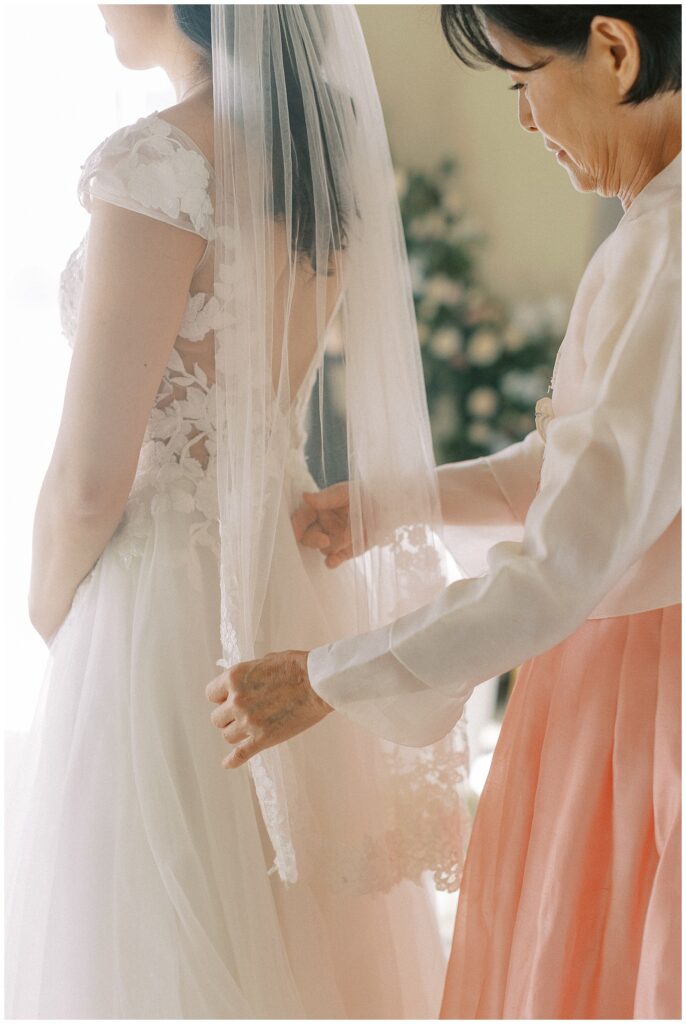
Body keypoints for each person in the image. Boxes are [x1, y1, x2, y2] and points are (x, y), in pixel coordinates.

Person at [207, 5, 681, 1018]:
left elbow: (568, 557)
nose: (521, 118)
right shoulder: (654, 232)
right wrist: (390, 506)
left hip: (637, 692)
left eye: (520, 78)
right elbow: (575, 468)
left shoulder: (669, 251)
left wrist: (329, 677)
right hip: (605, 674)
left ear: (612, 49)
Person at [5, 5, 470, 1018]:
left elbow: (91, 480)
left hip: (159, 601)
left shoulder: (154, 164)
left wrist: (52, 612)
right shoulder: (320, 153)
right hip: (286, 577)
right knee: (299, 933)